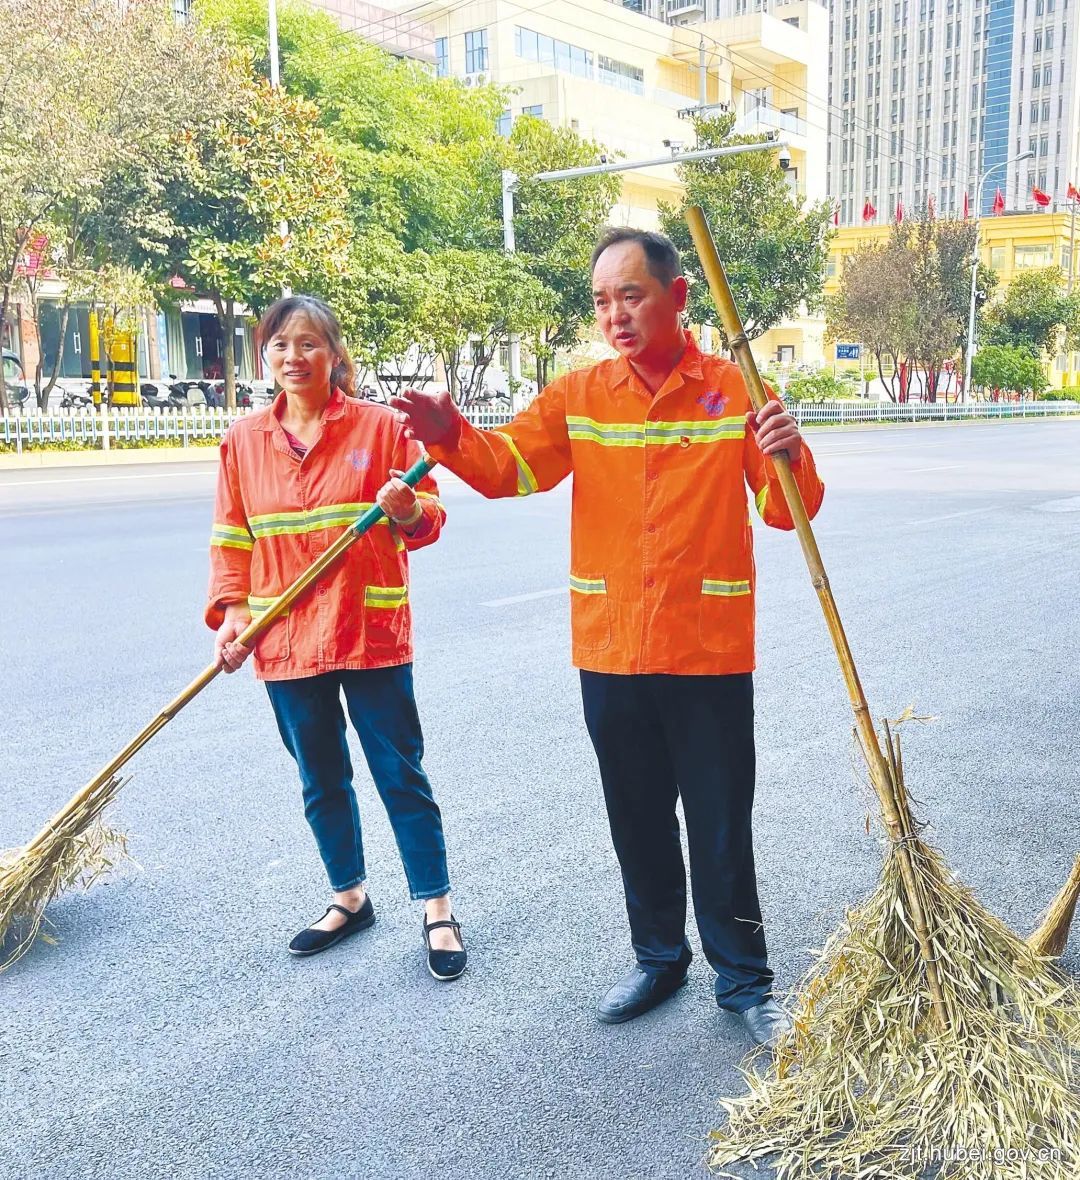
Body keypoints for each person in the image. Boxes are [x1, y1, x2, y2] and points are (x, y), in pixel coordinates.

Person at [391, 228, 823, 1045]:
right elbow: (511, 466)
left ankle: (745, 981)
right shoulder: (580, 394)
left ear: (677, 297)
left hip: (707, 650)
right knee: (637, 816)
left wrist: (790, 451)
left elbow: (784, 506)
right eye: (601, 301)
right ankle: (660, 958)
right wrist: (450, 435)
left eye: (631, 294)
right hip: (612, 647)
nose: (615, 315)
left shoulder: (735, 389)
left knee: (722, 820)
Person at [207, 295, 466, 981]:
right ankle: (349, 897)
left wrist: (409, 509)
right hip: (285, 635)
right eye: (279, 346)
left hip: (368, 630)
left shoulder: (382, 429)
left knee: (399, 773)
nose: (293, 358)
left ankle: (437, 909)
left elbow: (430, 518)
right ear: (265, 355)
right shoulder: (243, 441)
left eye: (308, 344)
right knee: (319, 777)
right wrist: (233, 613)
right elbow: (233, 538)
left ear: (334, 353)